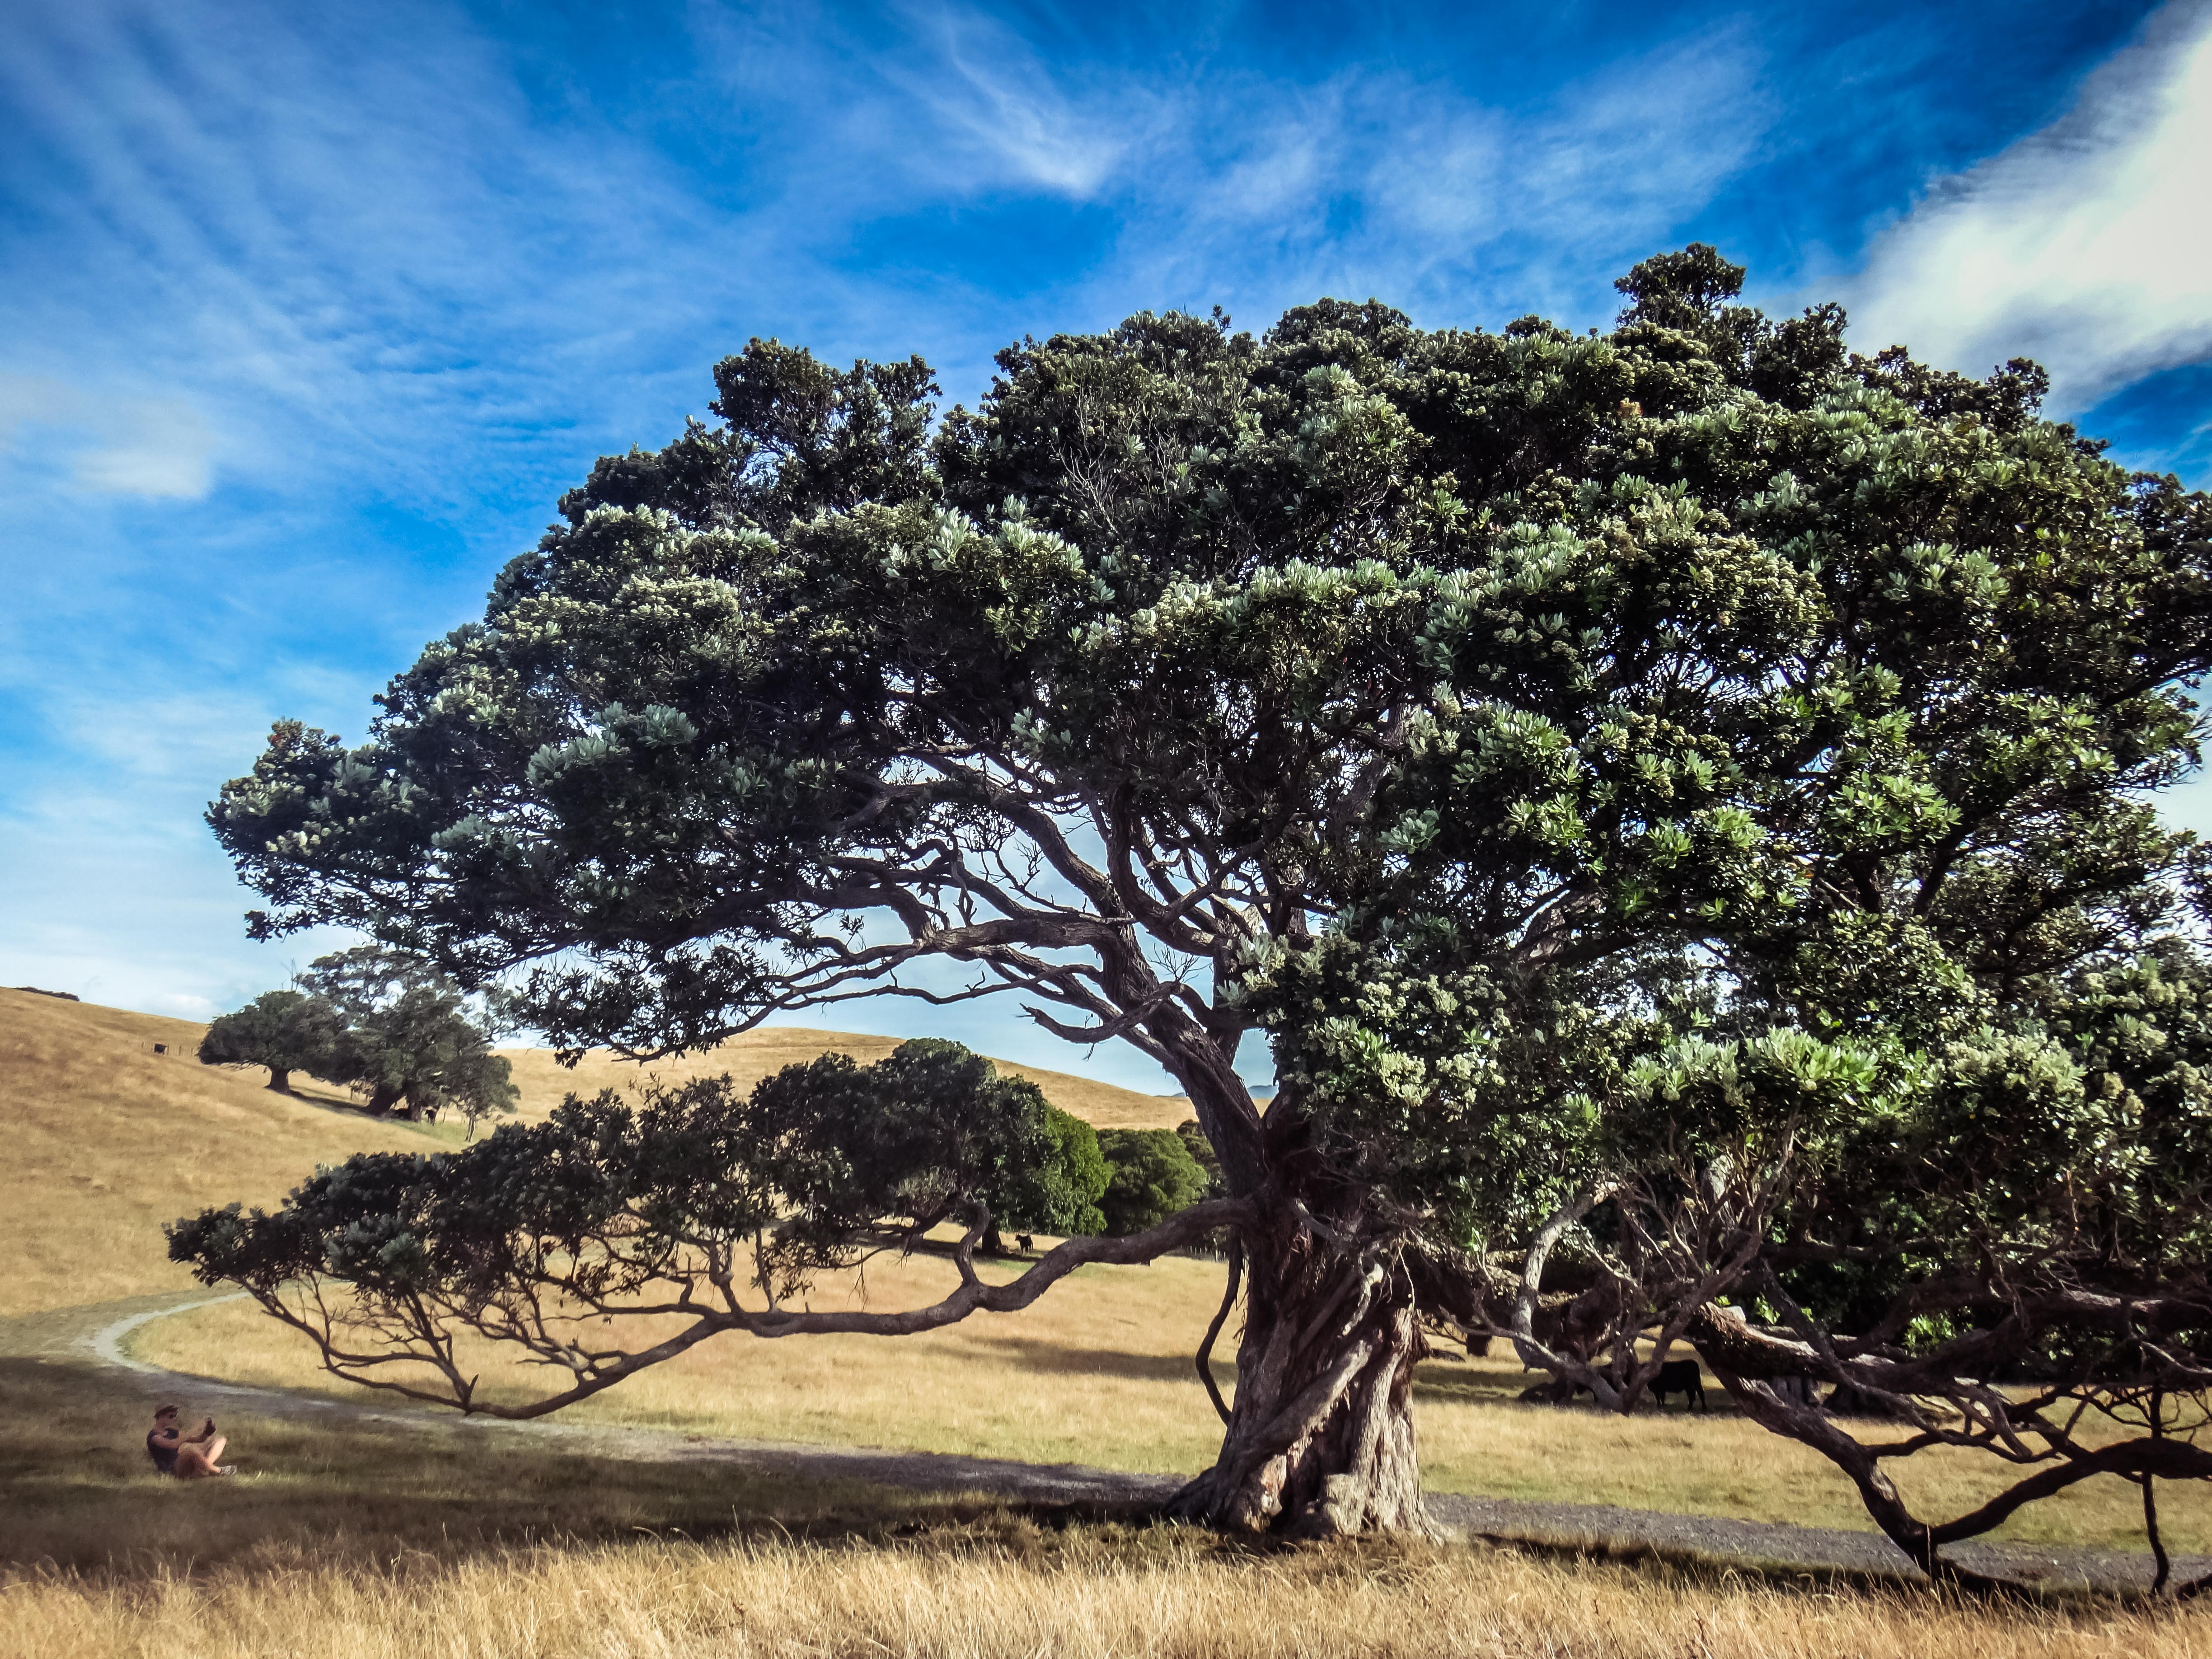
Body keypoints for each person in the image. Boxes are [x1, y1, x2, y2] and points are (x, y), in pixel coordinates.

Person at [145, 1404, 234, 1477]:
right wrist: (196, 1427)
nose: (174, 1419)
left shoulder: (171, 1431)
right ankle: (219, 1471)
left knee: (220, 1439)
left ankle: (204, 1469)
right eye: (171, 1416)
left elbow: (200, 1440)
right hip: (171, 1470)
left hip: (181, 1464)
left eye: (175, 1416)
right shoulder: (154, 1437)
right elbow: (173, 1444)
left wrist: (207, 1432)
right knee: (191, 1450)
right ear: (160, 1417)